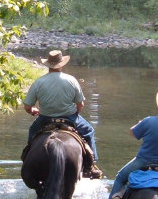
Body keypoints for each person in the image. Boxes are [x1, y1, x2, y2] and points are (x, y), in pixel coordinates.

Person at [23, 49, 103, 179]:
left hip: (45, 118)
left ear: (48, 64)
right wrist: (76, 112)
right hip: (70, 117)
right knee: (89, 131)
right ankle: (91, 166)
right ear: (62, 64)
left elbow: (27, 106)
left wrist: (33, 111)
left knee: (32, 132)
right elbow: (80, 104)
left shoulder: (38, 82)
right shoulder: (71, 80)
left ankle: (27, 160)